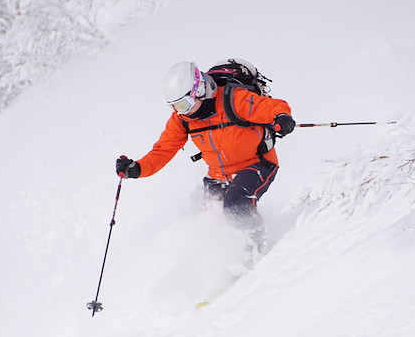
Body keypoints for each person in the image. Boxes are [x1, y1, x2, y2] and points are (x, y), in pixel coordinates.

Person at [116, 59, 295, 262]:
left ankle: (255, 250)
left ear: (199, 90)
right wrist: (137, 168)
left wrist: (281, 117)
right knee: (198, 213)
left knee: (235, 204)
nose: (181, 111)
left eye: (184, 104)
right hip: (218, 174)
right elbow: (164, 149)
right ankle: (202, 262)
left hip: (256, 164)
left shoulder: (233, 100)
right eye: (174, 106)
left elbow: (272, 107)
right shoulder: (183, 119)